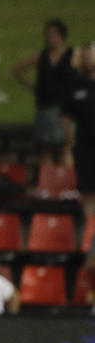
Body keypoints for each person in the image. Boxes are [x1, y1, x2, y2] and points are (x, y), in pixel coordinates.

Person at [13, 19, 75, 165]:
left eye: (53, 34)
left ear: (61, 36)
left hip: (65, 108)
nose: (49, 38)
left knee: (65, 148)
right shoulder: (41, 56)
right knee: (46, 149)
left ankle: (67, 184)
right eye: (47, 34)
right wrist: (32, 87)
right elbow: (17, 70)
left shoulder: (72, 55)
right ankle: (47, 185)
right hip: (45, 106)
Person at [61, 41, 95, 217]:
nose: (88, 58)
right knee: (88, 191)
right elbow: (65, 115)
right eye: (85, 55)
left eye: (91, 54)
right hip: (85, 146)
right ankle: (92, 234)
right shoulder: (75, 84)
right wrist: (71, 140)